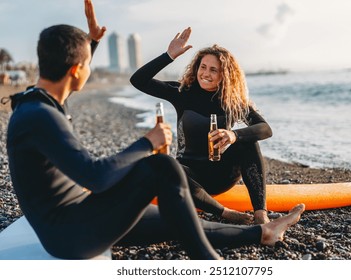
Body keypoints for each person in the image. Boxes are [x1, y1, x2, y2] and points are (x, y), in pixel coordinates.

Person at [6, 1, 305, 260]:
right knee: (161, 167)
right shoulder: (40, 116)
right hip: (71, 234)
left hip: (80, 218)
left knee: (179, 221)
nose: (206, 73)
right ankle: (211, 262)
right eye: (87, 64)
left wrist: (91, 43)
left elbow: (66, 83)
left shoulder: (37, 104)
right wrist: (147, 142)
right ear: (76, 70)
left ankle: (262, 232)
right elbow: (96, 177)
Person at [130, 27, 273, 224]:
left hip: (222, 176)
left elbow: (265, 129)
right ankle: (224, 212)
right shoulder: (182, 93)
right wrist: (168, 56)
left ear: (225, 75)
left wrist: (233, 136)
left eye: (213, 69)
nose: (205, 73)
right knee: (165, 164)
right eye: (203, 67)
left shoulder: (231, 101)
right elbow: (137, 80)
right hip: (189, 175)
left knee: (248, 141)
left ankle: (260, 213)